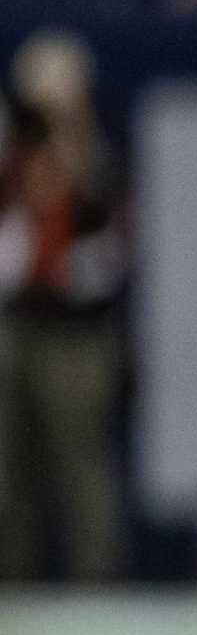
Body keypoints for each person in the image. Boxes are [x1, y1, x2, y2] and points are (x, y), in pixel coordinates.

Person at [0, 33, 129, 581]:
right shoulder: (13, 161)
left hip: (78, 336)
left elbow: (113, 257)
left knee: (80, 467)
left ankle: (96, 591)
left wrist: (60, 265)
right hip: (15, 324)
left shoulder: (101, 161)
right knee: (9, 467)